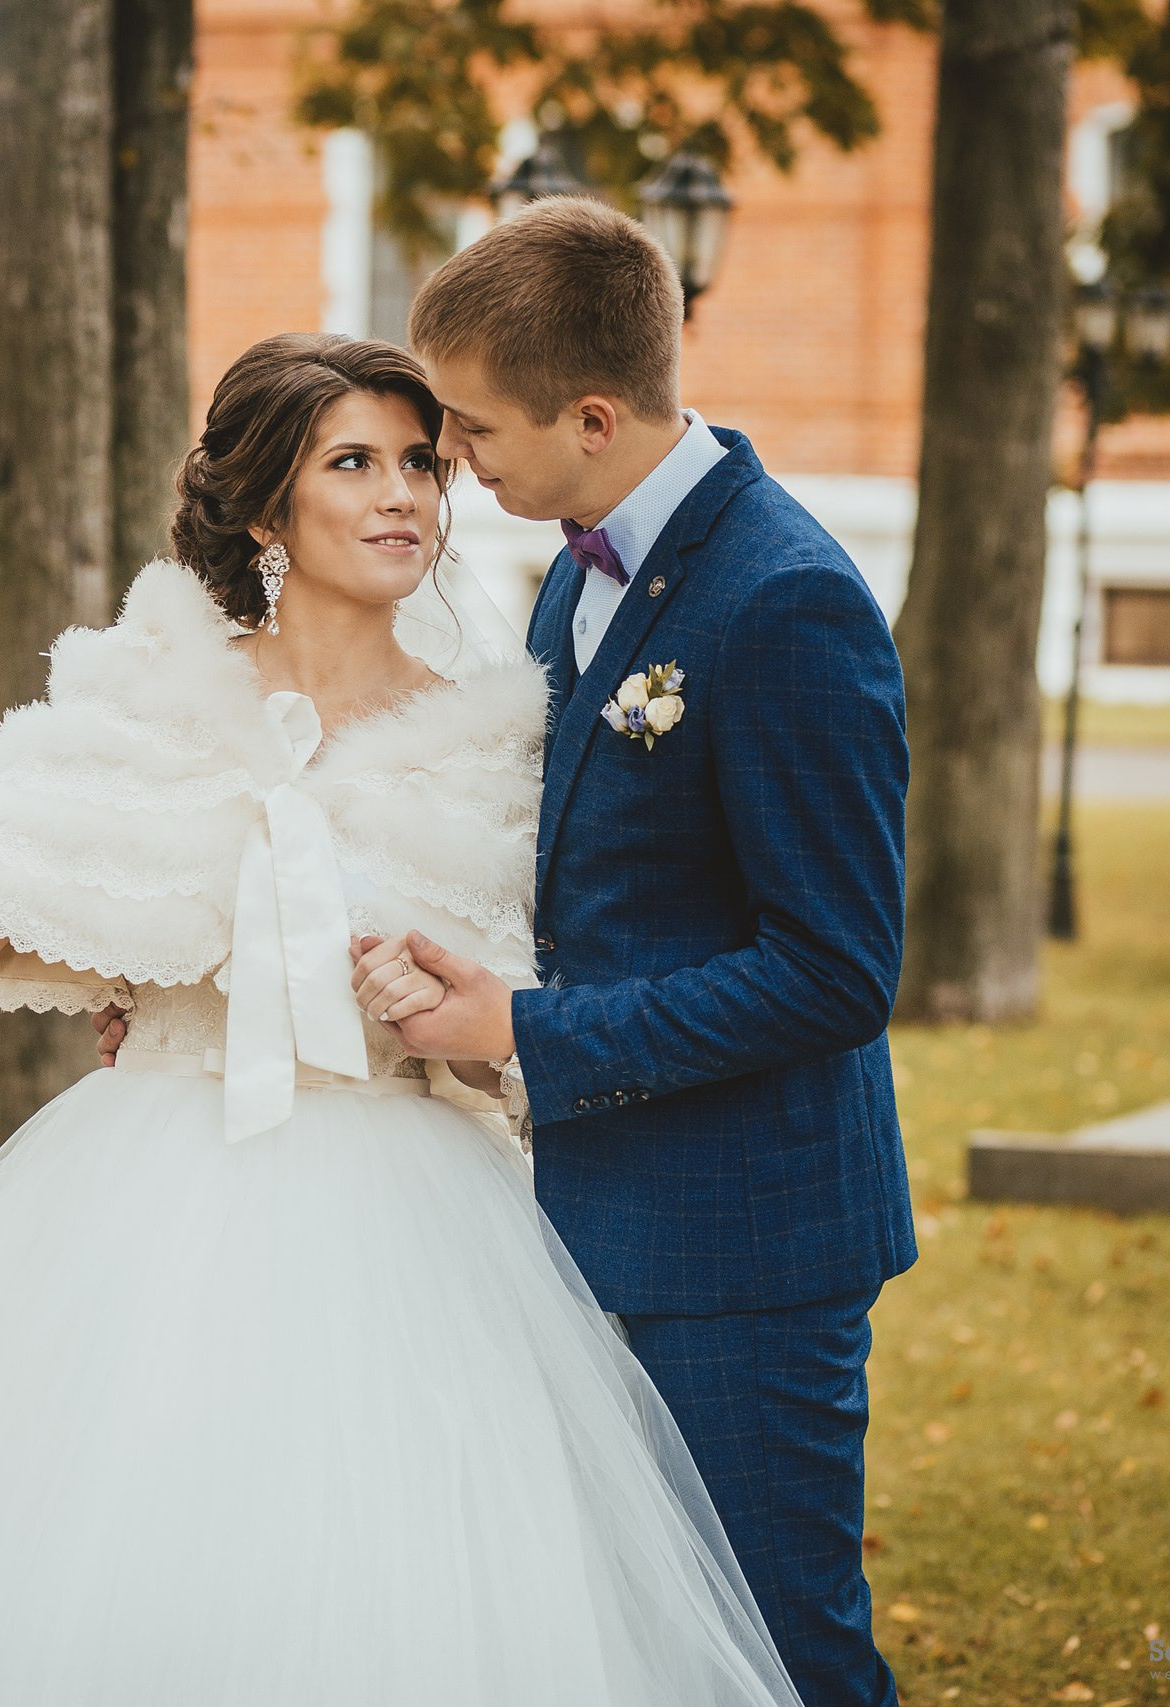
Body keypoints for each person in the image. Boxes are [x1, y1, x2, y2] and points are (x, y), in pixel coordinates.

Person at [0, 333, 804, 1707]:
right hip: (148, 1199)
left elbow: (542, 1014)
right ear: (261, 509)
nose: (405, 491)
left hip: (417, 1227)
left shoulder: (496, 732)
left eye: (421, 460)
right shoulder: (148, 696)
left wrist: (465, 1024)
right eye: (353, 463)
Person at [345, 198, 917, 1707]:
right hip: (591, 1213)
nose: (453, 458)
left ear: (592, 417)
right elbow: (572, 860)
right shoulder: (572, 570)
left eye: (470, 427)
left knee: (780, 1648)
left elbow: (839, 970)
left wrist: (527, 1033)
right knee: (648, 1649)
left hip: (749, 1249)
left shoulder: (787, 602)